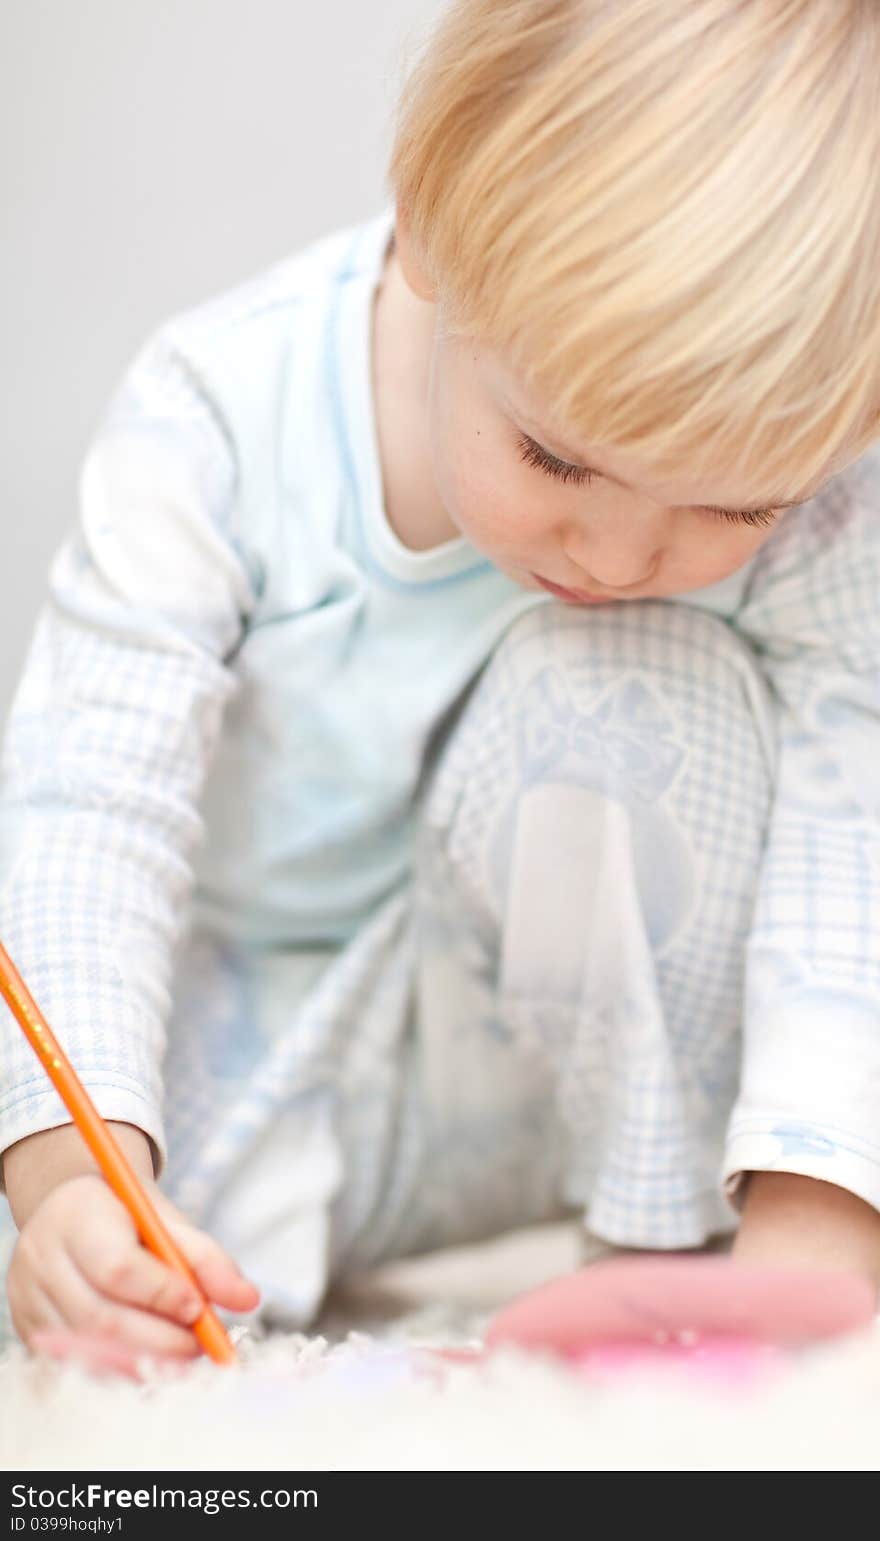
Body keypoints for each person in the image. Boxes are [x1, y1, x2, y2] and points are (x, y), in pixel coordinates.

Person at [2, 0, 879, 1359]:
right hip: (274, 1077)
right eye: (558, 460)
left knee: (640, 670)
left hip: (603, 1090)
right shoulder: (217, 418)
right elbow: (87, 803)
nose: (625, 548)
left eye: (735, 505)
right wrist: (74, 1176)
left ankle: (659, 1254)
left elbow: (854, 821)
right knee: (100, 1254)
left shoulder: (818, 475)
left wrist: (815, 1249)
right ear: (427, 231)